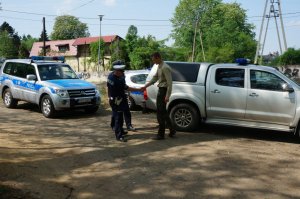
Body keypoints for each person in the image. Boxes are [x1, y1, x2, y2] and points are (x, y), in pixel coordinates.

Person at [142, 52, 176, 140]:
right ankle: (172, 130)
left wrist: (167, 95)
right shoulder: (160, 66)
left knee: (160, 113)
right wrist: (145, 86)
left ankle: (161, 134)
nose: (153, 62)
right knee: (163, 112)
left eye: (153, 60)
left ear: (158, 58)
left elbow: (170, 83)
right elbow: (155, 78)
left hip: (163, 91)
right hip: (161, 90)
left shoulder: (165, 67)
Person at [107, 60, 141, 142]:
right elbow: (126, 88)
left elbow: (108, 87)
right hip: (116, 100)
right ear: (116, 71)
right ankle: (119, 136)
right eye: (122, 71)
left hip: (120, 98)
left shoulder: (113, 75)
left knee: (121, 115)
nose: (123, 72)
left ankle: (121, 131)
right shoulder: (115, 80)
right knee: (118, 117)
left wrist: (109, 97)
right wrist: (139, 89)